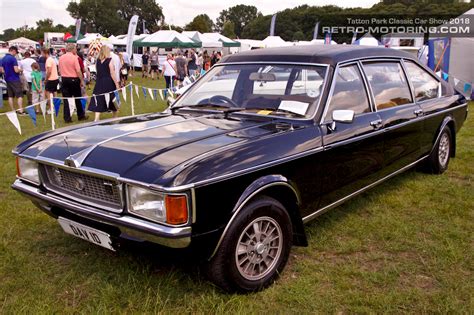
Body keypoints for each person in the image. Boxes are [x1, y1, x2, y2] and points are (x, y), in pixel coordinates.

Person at [88, 45, 120, 122]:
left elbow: (97, 70)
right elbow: (112, 73)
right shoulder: (110, 60)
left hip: (99, 81)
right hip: (108, 81)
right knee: (112, 98)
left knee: (99, 98)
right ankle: (114, 116)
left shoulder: (98, 61)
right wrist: (117, 84)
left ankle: (97, 118)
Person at [58, 43, 86, 123]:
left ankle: (67, 117)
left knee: (66, 99)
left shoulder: (61, 58)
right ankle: (80, 115)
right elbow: (78, 70)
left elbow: (59, 70)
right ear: (73, 49)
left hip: (64, 79)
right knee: (77, 98)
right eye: (75, 49)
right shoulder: (74, 58)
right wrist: (81, 80)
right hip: (74, 79)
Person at [1, 46, 24, 114]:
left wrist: (7, 72)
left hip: (7, 79)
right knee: (19, 95)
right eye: (16, 52)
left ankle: (13, 110)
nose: (16, 54)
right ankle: (20, 110)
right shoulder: (13, 59)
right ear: (13, 51)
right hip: (14, 79)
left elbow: (2, 70)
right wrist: (21, 70)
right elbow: (16, 70)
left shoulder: (3, 59)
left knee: (10, 96)